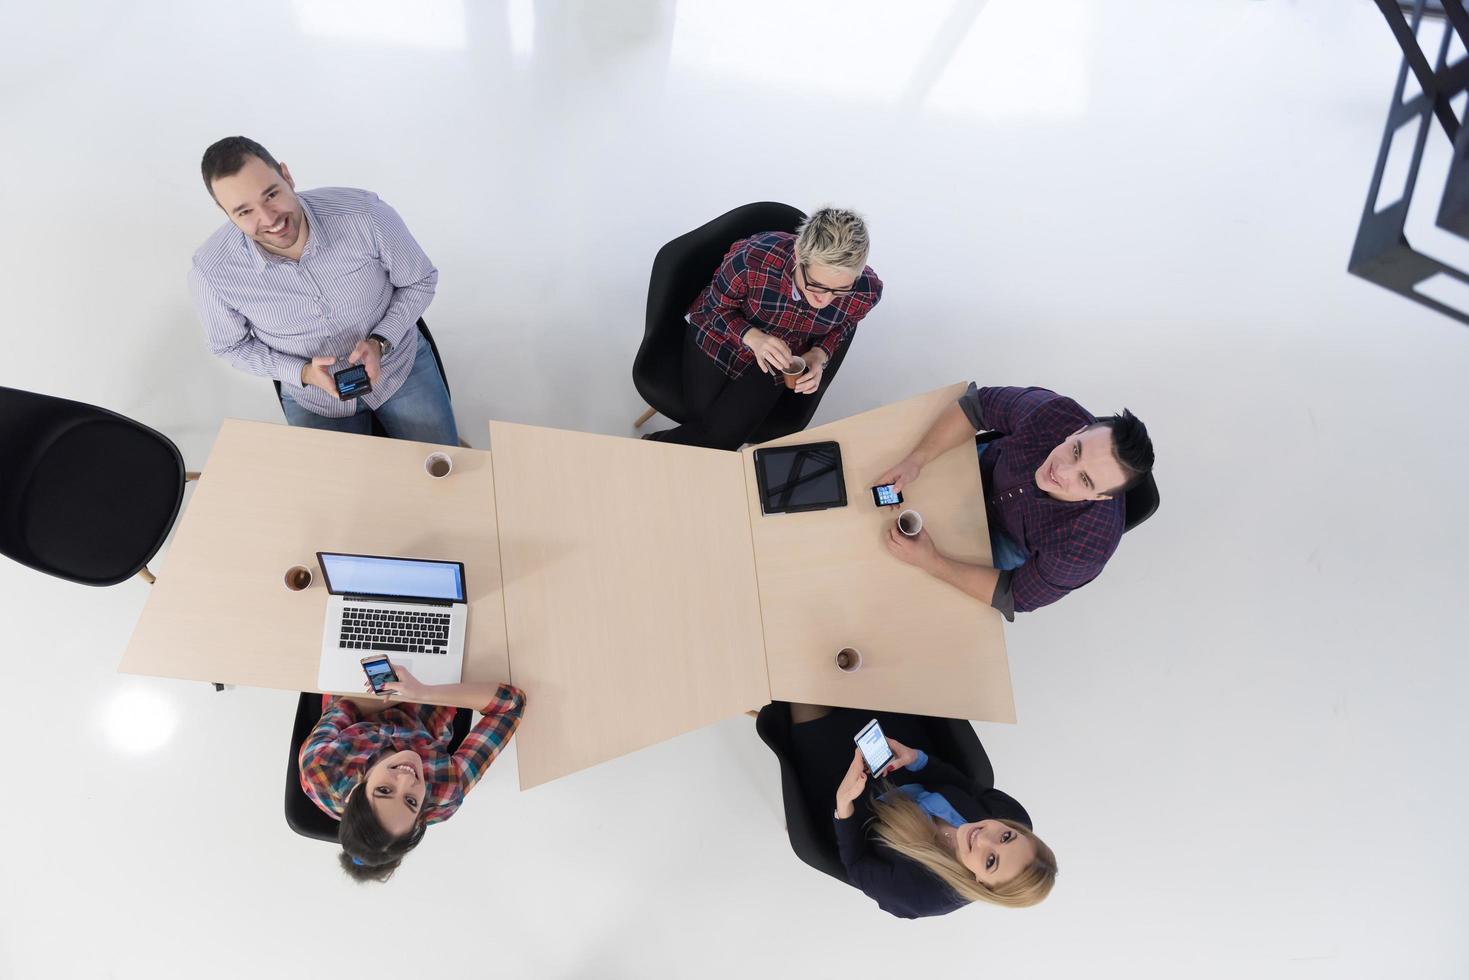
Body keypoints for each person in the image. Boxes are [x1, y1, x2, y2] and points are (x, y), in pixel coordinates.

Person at [189, 136, 460, 445]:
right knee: (338, 493)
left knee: (443, 472)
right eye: (244, 212)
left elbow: (420, 280)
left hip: (400, 369)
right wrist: (301, 372)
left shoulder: (366, 215)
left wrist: (380, 341)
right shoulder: (211, 274)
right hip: (314, 398)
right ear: (224, 211)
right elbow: (229, 346)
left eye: (271, 194)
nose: (269, 219)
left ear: (286, 175)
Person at [876, 384, 1154, 618]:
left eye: (1085, 480)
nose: (1062, 470)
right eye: (1075, 451)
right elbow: (976, 407)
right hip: (982, 467)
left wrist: (933, 562)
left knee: (902, 593)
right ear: (1078, 432)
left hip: (1008, 540)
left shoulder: (1083, 550)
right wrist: (916, 459)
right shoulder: (1054, 412)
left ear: (1100, 496)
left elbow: (1013, 594)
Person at [783, 703, 1056, 918]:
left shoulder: (922, 894)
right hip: (896, 760)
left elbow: (855, 865)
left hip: (849, 797)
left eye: (990, 861)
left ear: (981, 885)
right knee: (864, 667)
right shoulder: (1012, 816)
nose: (983, 837)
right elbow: (965, 783)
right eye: (1006, 836)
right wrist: (917, 760)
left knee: (805, 689)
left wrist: (844, 804)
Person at [645, 208, 883, 450]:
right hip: (720, 337)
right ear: (799, 253)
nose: (825, 300)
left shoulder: (867, 291)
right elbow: (711, 309)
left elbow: (845, 324)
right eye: (816, 285)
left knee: (718, 434)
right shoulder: (753, 257)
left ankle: (651, 446)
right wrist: (753, 337)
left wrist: (819, 354)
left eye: (840, 289)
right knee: (706, 421)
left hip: (778, 360)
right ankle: (653, 447)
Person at [298, 666, 525, 881]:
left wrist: (395, 690)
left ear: (356, 790)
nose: (407, 779)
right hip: (433, 694)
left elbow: (347, 707)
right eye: (411, 800)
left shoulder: (320, 768)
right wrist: (422, 692)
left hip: (364, 691)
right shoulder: (445, 794)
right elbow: (512, 705)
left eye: (384, 790)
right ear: (420, 817)